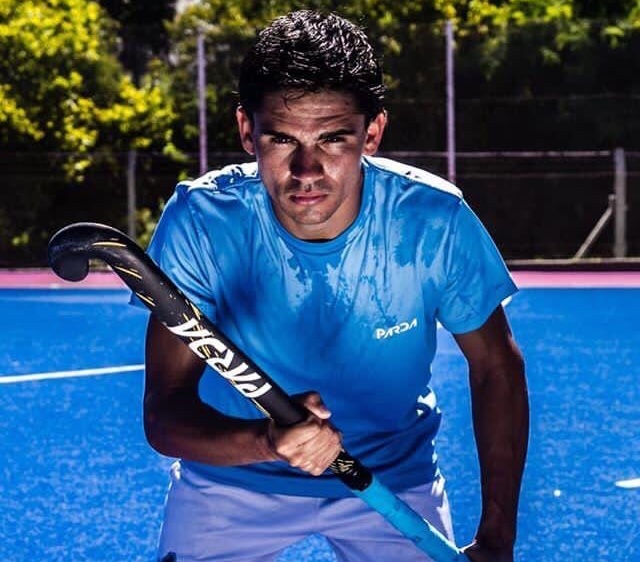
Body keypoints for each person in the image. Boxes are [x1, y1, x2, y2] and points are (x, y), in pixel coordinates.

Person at [138, 10, 529, 562]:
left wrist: (497, 537)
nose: (307, 169)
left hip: (391, 478)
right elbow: (163, 415)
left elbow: (497, 367)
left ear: (372, 133)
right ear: (247, 130)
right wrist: (266, 442)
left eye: (333, 139)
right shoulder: (202, 221)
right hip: (231, 479)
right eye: (281, 138)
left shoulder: (432, 219)